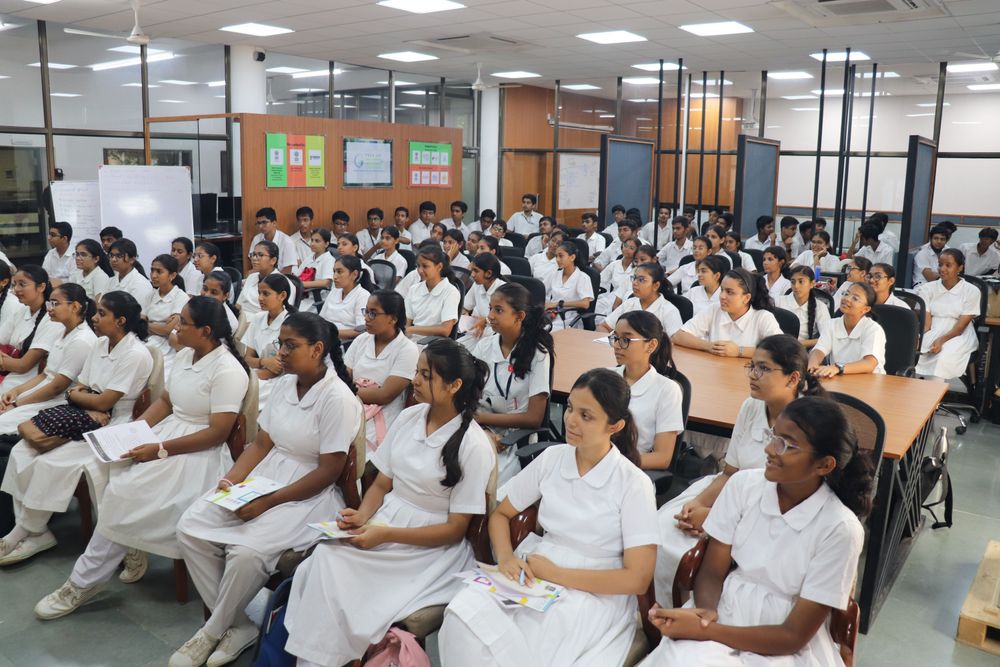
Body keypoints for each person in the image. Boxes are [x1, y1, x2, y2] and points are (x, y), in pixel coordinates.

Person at [283, 339, 494, 667]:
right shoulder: (410, 418)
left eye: (426, 376)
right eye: (417, 372)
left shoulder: (472, 445)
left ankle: (331, 657)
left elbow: (455, 530)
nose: (416, 381)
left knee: (339, 575)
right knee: (322, 559)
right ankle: (322, 658)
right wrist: (363, 515)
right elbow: (382, 482)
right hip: (389, 521)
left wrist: (385, 534)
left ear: (454, 386)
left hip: (430, 548)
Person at [34, 297, 248, 620]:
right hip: (171, 434)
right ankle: (112, 556)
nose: (176, 326)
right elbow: (165, 400)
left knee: (125, 491)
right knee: (113, 475)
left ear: (205, 330)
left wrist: (159, 449)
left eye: (184, 323)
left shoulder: (228, 369)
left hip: (197, 452)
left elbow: (218, 432)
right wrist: (133, 431)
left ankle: (84, 580)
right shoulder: (188, 354)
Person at [173, 312, 360, 667]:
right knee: (191, 526)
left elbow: (330, 469)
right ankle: (237, 625)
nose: (282, 352)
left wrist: (268, 502)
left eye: (292, 345)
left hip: (308, 493)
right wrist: (232, 480)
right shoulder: (285, 385)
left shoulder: (337, 398)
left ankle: (211, 632)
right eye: (281, 344)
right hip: (267, 477)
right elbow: (261, 444)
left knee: (248, 553)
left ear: (318, 349)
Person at [438, 367, 657, 667]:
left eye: (586, 415)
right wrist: (505, 558)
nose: (570, 420)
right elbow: (501, 514)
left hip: (593, 589)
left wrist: (556, 574)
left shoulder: (633, 484)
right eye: (569, 408)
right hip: (533, 571)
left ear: (615, 426)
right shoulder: (553, 459)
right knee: (463, 611)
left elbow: (637, 578)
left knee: (544, 637)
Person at [641, 396, 871, 667]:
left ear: (824, 465)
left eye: (787, 444)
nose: (770, 450)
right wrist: (706, 614)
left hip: (784, 639)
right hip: (725, 607)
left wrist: (707, 631)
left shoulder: (841, 529)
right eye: (774, 436)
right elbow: (712, 572)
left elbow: (793, 636)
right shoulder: (743, 486)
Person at [654, 334, 823, 604]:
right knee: (665, 527)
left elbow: (788, 502)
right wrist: (696, 505)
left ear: (792, 379)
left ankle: (688, 615)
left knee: (689, 554)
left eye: (764, 369)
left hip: (771, 517)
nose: (753, 375)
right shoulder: (751, 406)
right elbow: (730, 472)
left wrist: (711, 517)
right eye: (752, 366)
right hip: (731, 493)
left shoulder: (808, 422)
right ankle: (656, 616)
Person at [1, 291, 153, 566]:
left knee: (51, 463)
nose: (94, 318)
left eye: (102, 314)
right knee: (21, 452)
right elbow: (76, 388)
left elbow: (107, 401)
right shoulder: (100, 344)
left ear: (120, 320)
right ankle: (30, 529)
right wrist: (84, 398)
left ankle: (29, 530)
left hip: (113, 422)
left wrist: (84, 397)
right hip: (85, 414)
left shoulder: (135, 353)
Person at [472, 283, 553, 485]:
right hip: (479, 429)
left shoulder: (538, 354)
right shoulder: (484, 346)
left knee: (485, 486)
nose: (490, 316)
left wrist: (481, 418)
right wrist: (482, 428)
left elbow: (534, 418)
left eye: (498, 310)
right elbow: (467, 395)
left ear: (520, 316)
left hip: (515, 439)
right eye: (490, 308)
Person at [0, 283, 98, 439]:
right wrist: (16, 392)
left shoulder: (81, 340)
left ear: (75, 307)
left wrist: (18, 404)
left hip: (57, 400)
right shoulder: (64, 332)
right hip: (42, 391)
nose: (50, 308)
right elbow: (45, 374)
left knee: (4, 423)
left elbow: (56, 387)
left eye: (55, 304)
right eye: (49, 303)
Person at [345, 290, 419, 454]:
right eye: (366, 311)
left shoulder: (407, 350)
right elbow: (344, 375)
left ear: (393, 318)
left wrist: (346, 392)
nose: (366, 318)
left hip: (384, 413)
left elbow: (384, 395)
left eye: (373, 313)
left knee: (351, 446)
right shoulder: (362, 340)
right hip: (352, 403)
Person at [610, 312, 684, 470]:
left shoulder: (667, 390)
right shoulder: (605, 378)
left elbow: (662, 458)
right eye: (615, 338)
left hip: (630, 469)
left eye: (626, 340)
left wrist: (613, 463)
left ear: (651, 345)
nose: (616, 345)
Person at [673, 269, 783, 358]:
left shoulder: (763, 317)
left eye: (730, 292)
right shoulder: (715, 309)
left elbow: (780, 350)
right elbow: (678, 336)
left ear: (746, 298)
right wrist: (709, 346)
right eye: (722, 290)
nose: (722, 296)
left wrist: (739, 351)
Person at [914, 248, 982, 380]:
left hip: (957, 333)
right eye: (940, 264)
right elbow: (927, 324)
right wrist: (918, 337)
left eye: (948, 265)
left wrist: (941, 340)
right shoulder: (926, 289)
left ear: (960, 268)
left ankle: (933, 398)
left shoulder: (972, 291)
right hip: (933, 329)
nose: (942, 269)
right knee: (913, 354)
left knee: (942, 357)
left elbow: (960, 328)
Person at [0, 266, 62, 391]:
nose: (16, 289)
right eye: (15, 284)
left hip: (29, 381)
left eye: (22, 284)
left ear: (41, 287)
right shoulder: (21, 311)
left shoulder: (52, 319)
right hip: (10, 373)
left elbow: (24, 365)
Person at [808, 281, 886, 377]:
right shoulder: (832, 324)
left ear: (865, 309)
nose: (847, 299)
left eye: (855, 298)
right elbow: (819, 350)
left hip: (869, 382)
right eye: (846, 294)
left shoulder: (873, 329)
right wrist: (812, 366)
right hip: (840, 379)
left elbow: (869, 364)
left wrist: (838, 368)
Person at [242, 273, 295, 409]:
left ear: (282, 296)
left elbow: (277, 368)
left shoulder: (290, 324)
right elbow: (247, 358)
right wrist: (263, 362)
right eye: (259, 293)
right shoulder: (258, 318)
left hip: (281, 379)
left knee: (246, 394)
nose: (260, 298)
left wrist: (251, 378)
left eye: (266, 294)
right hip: (258, 374)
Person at [602, 262, 683, 336]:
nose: (634, 283)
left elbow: (675, 342)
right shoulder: (629, 303)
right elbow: (604, 326)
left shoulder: (669, 311)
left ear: (656, 285)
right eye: (634, 278)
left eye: (641, 280)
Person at [145, 254, 190, 376]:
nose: (153, 275)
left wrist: (148, 324)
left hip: (168, 345)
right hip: (147, 339)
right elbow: (139, 322)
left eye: (159, 271)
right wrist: (158, 327)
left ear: (172, 275)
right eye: (152, 270)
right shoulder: (150, 295)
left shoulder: (180, 297)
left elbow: (168, 330)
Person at [405, 245, 462, 340]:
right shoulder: (414, 289)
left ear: (439, 267)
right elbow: (407, 322)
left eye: (425, 266)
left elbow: (445, 330)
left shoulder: (450, 292)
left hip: (434, 345)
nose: (420, 270)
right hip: (412, 340)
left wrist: (412, 329)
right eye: (418, 266)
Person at [318, 255, 373, 343]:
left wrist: (330, 333)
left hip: (344, 344)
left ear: (354, 274)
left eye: (339, 272)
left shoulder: (363, 296)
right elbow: (321, 318)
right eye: (334, 271)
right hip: (324, 338)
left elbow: (362, 330)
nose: (334, 276)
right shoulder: (335, 291)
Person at [544, 241, 594, 332]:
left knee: (544, 332)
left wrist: (558, 304)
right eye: (556, 256)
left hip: (568, 318)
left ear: (572, 257)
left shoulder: (582, 277)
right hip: (551, 314)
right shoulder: (554, 274)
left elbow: (585, 304)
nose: (557, 259)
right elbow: (542, 290)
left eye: (561, 256)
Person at [237, 240, 296, 317]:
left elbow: (282, 314)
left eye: (260, 255)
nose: (254, 258)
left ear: (273, 260)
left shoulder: (283, 283)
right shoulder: (251, 277)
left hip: (261, 323)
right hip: (241, 319)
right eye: (253, 254)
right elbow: (238, 305)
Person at [777, 265, 830, 348]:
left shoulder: (820, 307)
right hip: (778, 348)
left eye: (801, 281)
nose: (796, 286)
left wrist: (797, 344)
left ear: (812, 284)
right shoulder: (778, 301)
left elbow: (827, 337)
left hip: (804, 350)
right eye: (793, 282)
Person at [460, 254, 505, 348]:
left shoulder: (503, 289)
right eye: (472, 270)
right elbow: (465, 307)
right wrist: (465, 317)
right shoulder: (477, 285)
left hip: (495, 335)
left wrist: (485, 321)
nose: (472, 274)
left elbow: (504, 318)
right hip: (475, 332)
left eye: (476, 271)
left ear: (488, 273)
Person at [106, 238, 154, 308]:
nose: (113, 259)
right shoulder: (111, 281)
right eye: (111, 255)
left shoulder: (141, 284)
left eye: (119, 256)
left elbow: (136, 314)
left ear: (132, 260)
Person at [248, 207, 296, 274]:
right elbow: (254, 264)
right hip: (262, 276)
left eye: (264, 222)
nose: (260, 226)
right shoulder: (257, 239)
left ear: (274, 223)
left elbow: (287, 271)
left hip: (282, 279)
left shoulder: (287, 241)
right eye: (259, 223)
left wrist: (269, 281)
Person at [599, 237, 638, 316]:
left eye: (631, 248)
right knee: (597, 307)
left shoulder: (638, 268)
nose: (627, 249)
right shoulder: (614, 264)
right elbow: (601, 281)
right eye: (625, 246)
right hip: (612, 297)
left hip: (629, 299)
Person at [297, 228, 335, 304]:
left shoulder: (329, 260)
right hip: (303, 295)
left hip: (318, 299)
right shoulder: (310, 257)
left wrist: (301, 284)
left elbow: (325, 283)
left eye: (317, 241)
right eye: (312, 240)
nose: (312, 244)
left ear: (326, 244)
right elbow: (298, 275)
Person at [292, 206, 315, 271]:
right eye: (299, 220)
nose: (302, 224)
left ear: (311, 221)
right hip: (302, 275)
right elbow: (297, 264)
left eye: (305, 220)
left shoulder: (318, 238)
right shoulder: (291, 240)